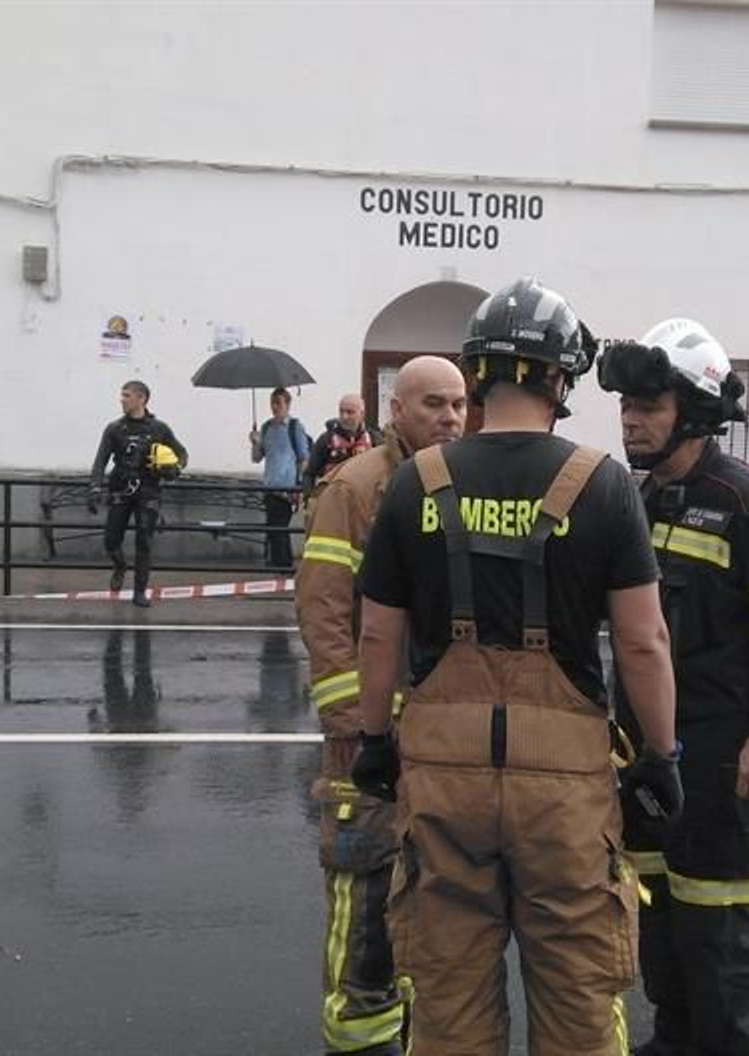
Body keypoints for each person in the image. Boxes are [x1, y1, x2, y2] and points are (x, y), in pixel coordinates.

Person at [350, 278, 684, 1055]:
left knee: (449, 999)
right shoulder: (602, 485)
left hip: (442, 774)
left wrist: (373, 740)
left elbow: (376, 636)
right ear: (562, 378)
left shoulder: (415, 482)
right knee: (577, 997)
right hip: (563, 790)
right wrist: (662, 755)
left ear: (477, 373)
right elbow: (643, 642)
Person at [598, 318, 749, 1056]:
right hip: (653, 758)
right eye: (627, 406)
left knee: (720, 940)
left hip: (727, 758)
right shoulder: (642, 499)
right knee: (663, 927)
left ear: (695, 413)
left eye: (650, 407)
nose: (632, 420)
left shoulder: (746, 505)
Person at [295, 357, 468, 1056]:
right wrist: (354, 723)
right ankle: (360, 1037)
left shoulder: (462, 481)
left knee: (435, 898)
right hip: (369, 734)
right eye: (434, 404)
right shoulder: (360, 485)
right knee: (366, 893)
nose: (451, 418)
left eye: (460, 404)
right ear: (395, 409)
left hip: (440, 733)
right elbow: (325, 605)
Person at [88, 379, 188, 608]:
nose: (122, 400)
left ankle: (140, 591)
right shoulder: (114, 429)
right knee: (111, 539)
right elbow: (100, 461)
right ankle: (120, 565)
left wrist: (174, 469)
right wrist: (94, 488)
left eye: (126, 396)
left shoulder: (159, 429)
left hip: (148, 490)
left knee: (144, 540)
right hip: (121, 489)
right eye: (122, 395)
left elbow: (182, 454)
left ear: (141, 398)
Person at [249, 387, 310, 568]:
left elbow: (303, 458)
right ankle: (280, 565)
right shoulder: (267, 427)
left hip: (287, 488)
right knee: (274, 529)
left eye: (279, 402)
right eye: (273, 402)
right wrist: (255, 443)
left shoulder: (294, 427)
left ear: (288, 404)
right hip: (269, 485)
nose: (275, 407)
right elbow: (257, 457)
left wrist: (299, 486)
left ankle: (283, 566)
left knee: (279, 528)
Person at [302, 393, 383, 495]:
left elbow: (384, 472)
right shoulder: (326, 440)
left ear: (362, 414)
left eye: (350, 412)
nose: (344, 417)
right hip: (333, 501)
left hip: (364, 501)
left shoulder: (374, 439)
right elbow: (309, 474)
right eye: (341, 411)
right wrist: (309, 499)